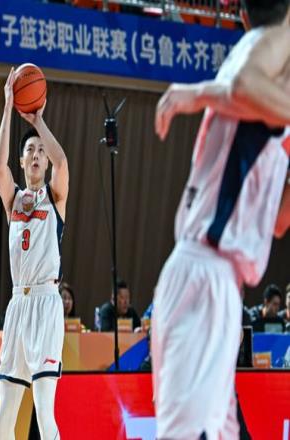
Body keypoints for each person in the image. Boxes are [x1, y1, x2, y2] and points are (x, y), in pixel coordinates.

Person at [152, 0, 290, 437]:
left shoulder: (269, 94)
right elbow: (244, 83)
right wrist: (199, 92)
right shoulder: (269, 45)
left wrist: (200, 92)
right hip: (205, 276)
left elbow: (277, 222)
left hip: (216, 280)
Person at [0, 67, 69, 440]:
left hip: (45, 303)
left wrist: (39, 123)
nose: (37, 155)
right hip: (18, 306)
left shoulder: (55, 197)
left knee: (44, 412)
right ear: (22, 161)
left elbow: (64, 163)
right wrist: (9, 106)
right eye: (30, 151)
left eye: (41, 151)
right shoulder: (13, 200)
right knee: (4, 418)